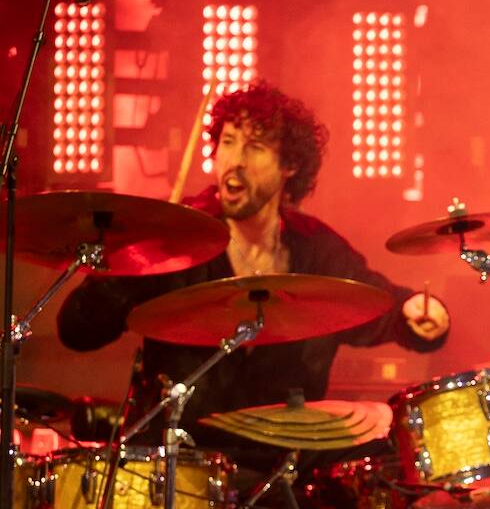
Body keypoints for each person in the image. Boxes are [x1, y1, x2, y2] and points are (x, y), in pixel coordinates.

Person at [57, 81, 450, 436]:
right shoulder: (176, 239)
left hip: (281, 460)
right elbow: (77, 331)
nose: (236, 160)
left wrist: (419, 313)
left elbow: (377, 307)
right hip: (183, 461)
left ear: (289, 166)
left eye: (255, 147)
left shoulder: (316, 249)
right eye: (228, 142)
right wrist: (135, 261)